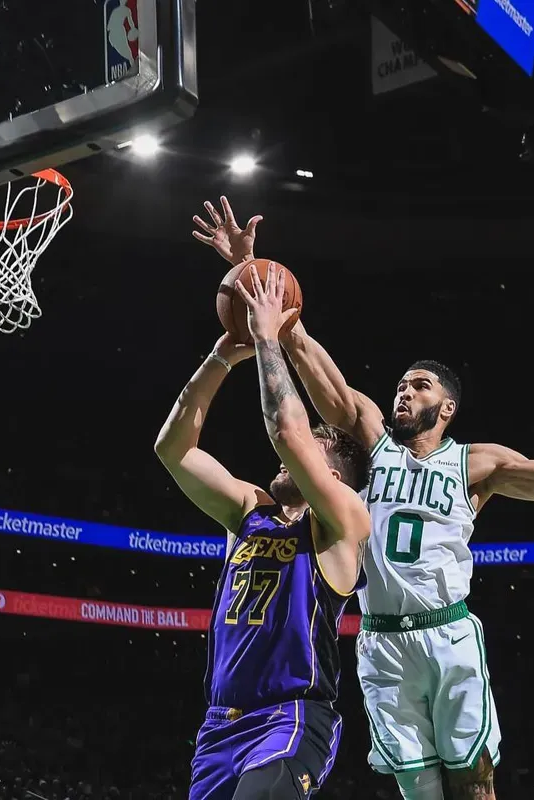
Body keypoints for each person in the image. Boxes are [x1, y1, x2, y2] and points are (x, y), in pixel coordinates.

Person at [193, 198, 534, 800]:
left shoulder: (481, 464)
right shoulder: (372, 440)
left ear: (446, 407)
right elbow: (305, 353)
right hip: (381, 638)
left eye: (418, 386)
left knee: (474, 782)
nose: (402, 391)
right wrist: (255, 272)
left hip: (448, 632)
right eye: (400, 383)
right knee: (418, 790)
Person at [155, 264, 373, 799]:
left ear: (335, 474)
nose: (288, 456)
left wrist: (267, 338)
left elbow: (286, 432)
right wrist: (221, 357)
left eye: (317, 444)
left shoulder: (342, 519)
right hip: (219, 724)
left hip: (290, 717)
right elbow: (173, 449)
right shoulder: (250, 510)